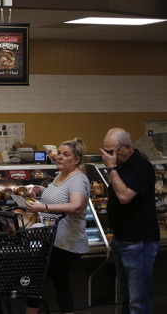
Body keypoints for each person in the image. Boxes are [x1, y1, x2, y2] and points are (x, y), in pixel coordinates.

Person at [25, 138, 90, 314]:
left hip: (66, 243)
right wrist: (41, 190)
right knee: (61, 283)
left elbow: (75, 206)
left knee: (34, 278)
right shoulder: (61, 175)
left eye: (66, 155)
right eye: (59, 153)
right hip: (53, 240)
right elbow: (60, 197)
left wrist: (42, 207)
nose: (59, 157)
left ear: (77, 160)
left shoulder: (77, 180)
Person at [101, 128, 159, 314]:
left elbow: (125, 196)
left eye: (112, 152)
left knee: (138, 301)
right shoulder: (121, 167)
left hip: (139, 242)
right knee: (125, 298)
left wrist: (110, 169)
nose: (109, 156)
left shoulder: (141, 167)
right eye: (106, 151)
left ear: (127, 146)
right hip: (121, 240)